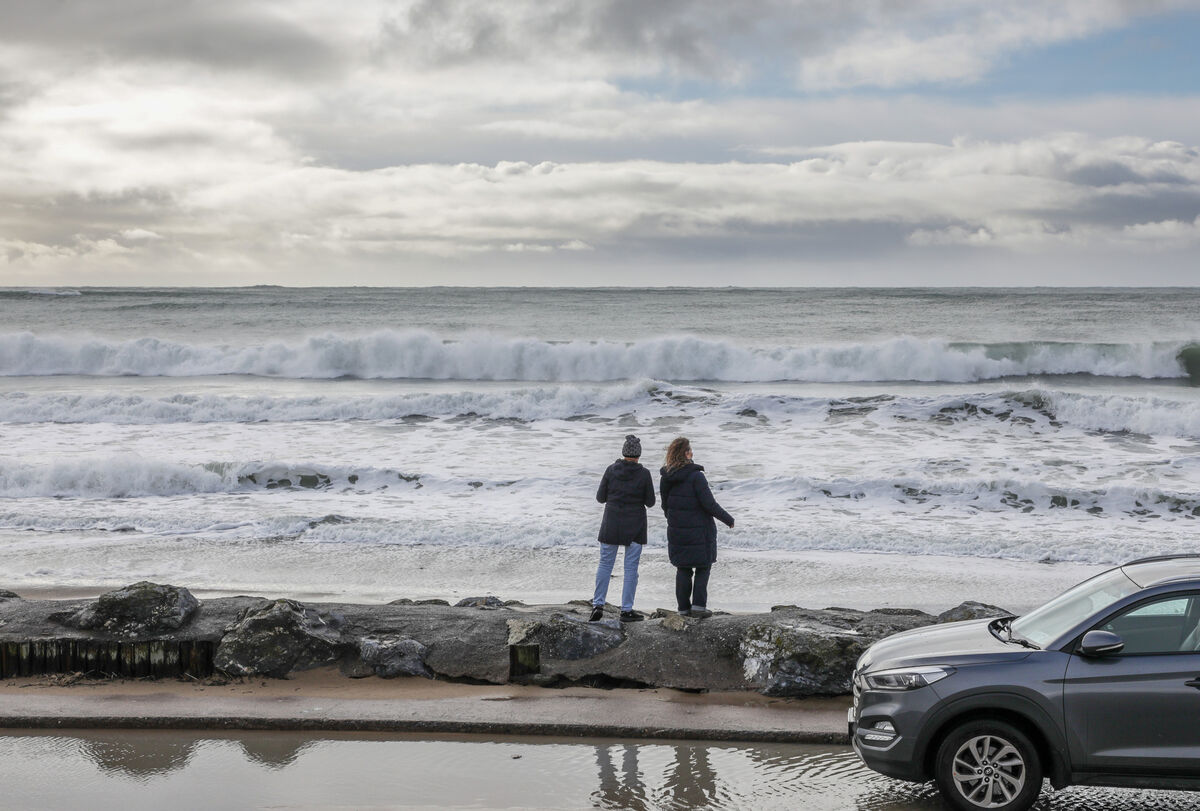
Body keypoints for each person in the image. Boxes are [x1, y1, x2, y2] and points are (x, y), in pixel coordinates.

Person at [659, 437, 733, 618]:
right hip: (700, 530)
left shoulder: (666, 477)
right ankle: (699, 606)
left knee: (683, 568)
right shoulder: (696, 476)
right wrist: (728, 519)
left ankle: (683, 609)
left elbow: (665, 505)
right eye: (690, 450)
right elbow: (709, 504)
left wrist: (675, 520)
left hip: (676, 529)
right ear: (685, 453)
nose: (692, 453)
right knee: (703, 566)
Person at [590, 434, 655, 622]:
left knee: (604, 564)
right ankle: (626, 610)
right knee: (631, 568)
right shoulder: (644, 474)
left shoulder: (611, 470)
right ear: (638, 455)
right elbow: (650, 502)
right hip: (635, 525)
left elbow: (600, 498)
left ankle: (597, 604)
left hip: (611, 522)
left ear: (624, 452)